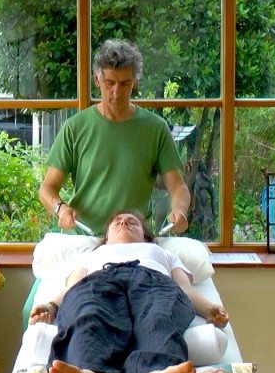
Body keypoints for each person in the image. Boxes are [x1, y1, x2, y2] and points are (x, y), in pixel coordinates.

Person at [29, 210, 229, 373]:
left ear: (145, 235)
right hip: (99, 280)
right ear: (106, 238)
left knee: (158, 317)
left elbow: (184, 288)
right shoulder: (93, 255)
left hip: (153, 280)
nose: (123, 223)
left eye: (132, 222)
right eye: (117, 222)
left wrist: (209, 308)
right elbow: (72, 288)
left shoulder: (163, 254)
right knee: (89, 313)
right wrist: (51, 305)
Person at [38, 39, 191, 236]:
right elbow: (47, 188)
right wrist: (60, 208)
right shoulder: (75, 128)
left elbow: (178, 187)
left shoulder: (155, 128)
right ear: (97, 79)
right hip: (85, 239)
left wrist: (179, 210)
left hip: (132, 239)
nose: (116, 92)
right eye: (109, 83)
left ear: (134, 82)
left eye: (124, 83)